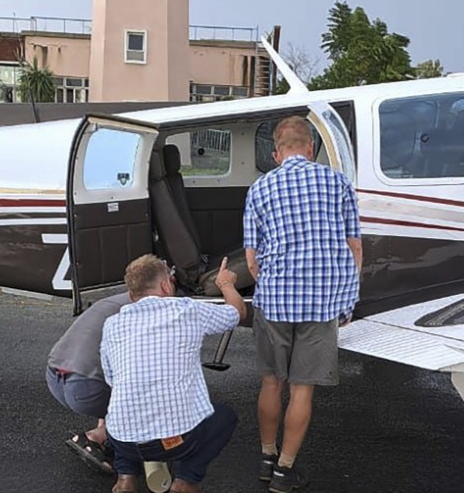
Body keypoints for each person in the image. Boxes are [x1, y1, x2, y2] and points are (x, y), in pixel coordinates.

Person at [243, 116, 362, 492]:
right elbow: (354, 247)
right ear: (311, 149)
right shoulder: (338, 182)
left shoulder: (260, 188)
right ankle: (284, 471)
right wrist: (346, 300)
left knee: (271, 382)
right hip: (322, 302)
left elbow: (251, 258)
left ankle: (266, 457)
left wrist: (273, 286)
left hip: (275, 301)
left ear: (277, 153)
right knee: (302, 389)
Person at [101, 255, 246, 493]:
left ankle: (126, 477)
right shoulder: (186, 310)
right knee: (225, 417)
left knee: (124, 411)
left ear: (131, 294)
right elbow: (237, 312)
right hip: (176, 442)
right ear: (166, 285)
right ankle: (186, 480)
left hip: (123, 442)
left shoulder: (112, 324)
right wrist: (226, 284)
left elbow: (112, 380)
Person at [46, 291, 132, 474]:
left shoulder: (111, 300)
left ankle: (106, 436)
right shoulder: (148, 311)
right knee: (155, 395)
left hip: (55, 377)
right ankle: (95, 437)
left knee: (109, 373)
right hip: (84, 388)